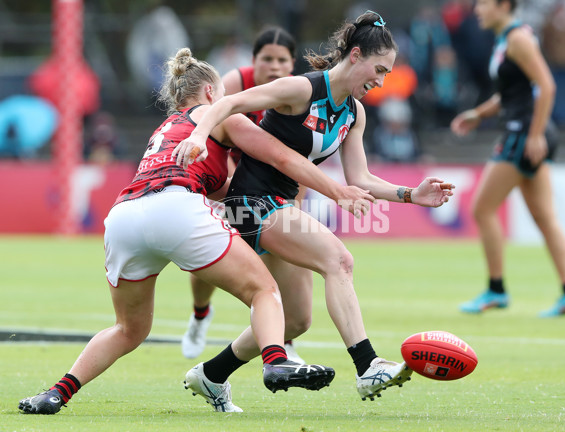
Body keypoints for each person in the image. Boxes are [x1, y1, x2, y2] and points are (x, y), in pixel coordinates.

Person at [18, 48, 378, 415]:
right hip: (176, 208)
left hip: (125, 218)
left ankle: (56, 393)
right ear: (210, 92)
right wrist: (337, 192)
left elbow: (224, 189)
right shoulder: (214, 113)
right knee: (264, 290)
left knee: (129, 329)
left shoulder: (165, 129)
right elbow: (280, 156)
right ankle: (276, 360)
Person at [172, 11, 455, 409]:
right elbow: (230, 103)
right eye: (379, 69)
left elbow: (361, 178)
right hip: (249, 202)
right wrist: (200, 134)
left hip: (280, 205)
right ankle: (368, 364)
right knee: (338, 259)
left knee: (295, 321)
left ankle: (211, 375)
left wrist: (411, 194)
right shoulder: (301, 89)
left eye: (388, 74)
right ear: (355, 56)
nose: (381, 81)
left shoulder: (355, 113)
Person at [450, 0, 565, 317]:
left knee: (482, 209)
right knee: (544, 217)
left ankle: (496, 290)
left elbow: (547, 85)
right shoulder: (510, 38)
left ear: (503, 5)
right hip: (529, 131)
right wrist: (477, 114)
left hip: (523, 134)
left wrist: (535, 134)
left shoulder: (517, 39)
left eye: (483, 3)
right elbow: (511, 92)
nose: (477, 10)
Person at [181, 26, 305, 363]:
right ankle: (200, 314)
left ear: (292, 63)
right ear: (254, 61)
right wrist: (237, 192)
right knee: (206, 260)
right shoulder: (233, 86)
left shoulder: (299, 93)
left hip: (273, 184)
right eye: (267, 59)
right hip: (223, 177)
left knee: (281, 254)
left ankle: (284, 338)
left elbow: (302, 158)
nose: (275, 67)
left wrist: (294, 206)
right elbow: (206, 133)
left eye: (282, 60)